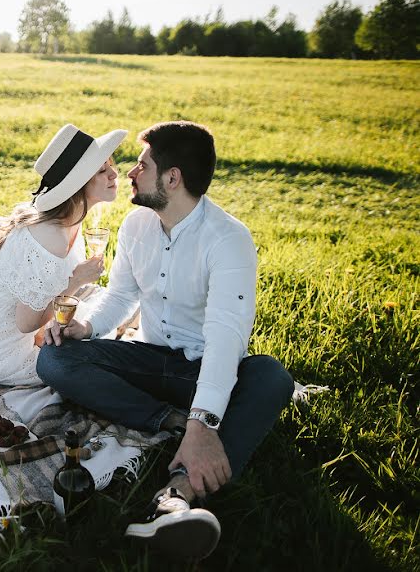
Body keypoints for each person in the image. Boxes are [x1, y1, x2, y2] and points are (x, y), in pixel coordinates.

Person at [36, 121, 294, 561]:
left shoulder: (229, 240)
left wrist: (204, 422)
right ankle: (172, 423)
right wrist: (88, 329)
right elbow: (121, 296)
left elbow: (225, 341)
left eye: (142, 165)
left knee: (272, 377)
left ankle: (174, 496)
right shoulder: (137, 225)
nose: (130, 174)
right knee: (54, 361)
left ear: (172, 179)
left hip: (209, 371)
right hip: (151, 361)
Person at [0, 123, 127, 386]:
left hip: (15, 327)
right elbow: (26, 324)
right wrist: (75, 282)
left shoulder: (70, 219)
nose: (114, 173)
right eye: (102, 170)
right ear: (78, 185)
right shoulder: (50, 238)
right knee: (94, 362)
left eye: (110, 166)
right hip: (0, 354)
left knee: (91, 324)